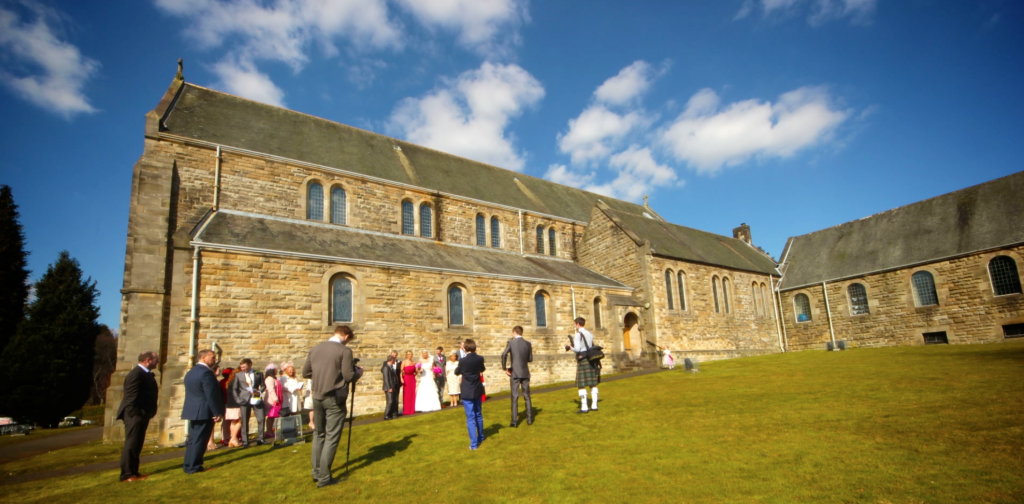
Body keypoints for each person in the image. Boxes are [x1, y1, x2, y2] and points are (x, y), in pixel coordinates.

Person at [302, 325, 361, 488]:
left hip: (317, 397)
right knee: (331, 437)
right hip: (334, 398)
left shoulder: (315, 349)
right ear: (346, 336)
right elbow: (349, 376)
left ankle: (317, 472)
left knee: (319, 435)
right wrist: (359, 372)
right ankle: (324, 477)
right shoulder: (344, 351)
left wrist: (323, 373)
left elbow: (306, 372)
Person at [117, 351, 159, 482]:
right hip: (134, 414)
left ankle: (134, 471)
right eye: (156, 360)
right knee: (131, 443)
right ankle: (127, 474)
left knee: (137, 444)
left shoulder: (145, 373)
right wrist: (136, 413)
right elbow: (130, 397)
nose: (157, 362)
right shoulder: (136, 374)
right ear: (148, 360)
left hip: (141, 414)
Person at [181, 349, 225, 474]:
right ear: (203, 358)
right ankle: (194, 466)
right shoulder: (206, 373)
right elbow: (210, 395)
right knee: (199, 440)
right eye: (212, 357)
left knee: (194, 439)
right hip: (203, 411)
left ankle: (189, 465)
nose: (215, 359)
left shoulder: (191, 372)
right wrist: (216, 412)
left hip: (193, 410)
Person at [454, 339, 486, 450]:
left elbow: (457, 372)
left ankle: (473, 444)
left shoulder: (463, 361)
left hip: (467, 390)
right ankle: (481, 436)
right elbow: (482, 369)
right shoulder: (480, 358)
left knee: (470, 417)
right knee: (478, 414)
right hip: (477, 388)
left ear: (465, 348)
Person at [501, 325, 533, 427]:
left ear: (514, 332)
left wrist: (504, 368)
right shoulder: (528, 344)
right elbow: (530, 359)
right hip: (525, 372)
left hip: (515, 372)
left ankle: (514, 421)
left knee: (514, 397)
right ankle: (529, 419)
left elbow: (504, 354)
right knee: (527, 396)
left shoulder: (511, 343)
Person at [230, 358, 266, 447]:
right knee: (244, 420)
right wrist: (237, 399)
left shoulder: (258, 373)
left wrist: (259, 391)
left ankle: (260, 438)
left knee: (261, 418)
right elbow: (234, 388)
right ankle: (245, 441)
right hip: (244, 399)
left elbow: (263, 385)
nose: (242, 369)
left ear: (250, 364)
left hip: (256, 397)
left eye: (244, 367)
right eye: (241, 367)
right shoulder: (238, 375)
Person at [567, 317, 600, 413]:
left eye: (574, 324)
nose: (574, 326)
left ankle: (584, 407)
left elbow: (577, 349)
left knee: (581, 385)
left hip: (583, 360)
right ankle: (594, 405)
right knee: (593, 383)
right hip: (591, 359)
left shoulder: (578, 335)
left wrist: (570, 348)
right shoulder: (590, 334)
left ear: (577, 324)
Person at [223, 369, 243, 447]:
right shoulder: (236, 382)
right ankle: (234, 438)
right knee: (240, 421)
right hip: (236, 404)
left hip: (230, 405)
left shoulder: (230, 382)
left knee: (233, 422)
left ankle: (233, 439)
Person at [219, 368, 238, 446]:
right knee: (228, 422)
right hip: (228, 403)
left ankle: (226, 437)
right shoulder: (227, 382)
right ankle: (226, 437)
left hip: (225, 403)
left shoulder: (222, 382)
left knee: (227, 421)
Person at [264, 364, 282, 440]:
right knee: (270, 416)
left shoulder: (274, 378)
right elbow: (271, 389)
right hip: (271, 399)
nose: (277, 371)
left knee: (273, 416)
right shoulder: (269, 379)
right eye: (275, 369)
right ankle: (269, 431)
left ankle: (270, 430)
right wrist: (275, 398)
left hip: (274, 399)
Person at [380, 354, 401, 420]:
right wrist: (389, 388)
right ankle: (386, 415)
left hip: (393, 386)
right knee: (390, 401)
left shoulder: (390, 366)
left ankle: (391, 414)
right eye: (394, 360)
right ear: (392, 360)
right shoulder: (386, 367)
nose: (394, 361)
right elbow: (386, 378)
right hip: (389, 387)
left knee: (394, 401)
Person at [401, 351, 416, 416]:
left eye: (411, 354)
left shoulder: (414, 362)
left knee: (412, 394)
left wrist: (418, 370)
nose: (410, 355)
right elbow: (401, 371)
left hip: (412, 378)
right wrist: (401, 378)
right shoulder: (404, 362)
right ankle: (406, 410)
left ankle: (412, 409)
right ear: (406, 355)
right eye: (408, 354)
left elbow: (416, 371)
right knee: (407, 394)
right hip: (406, 378)